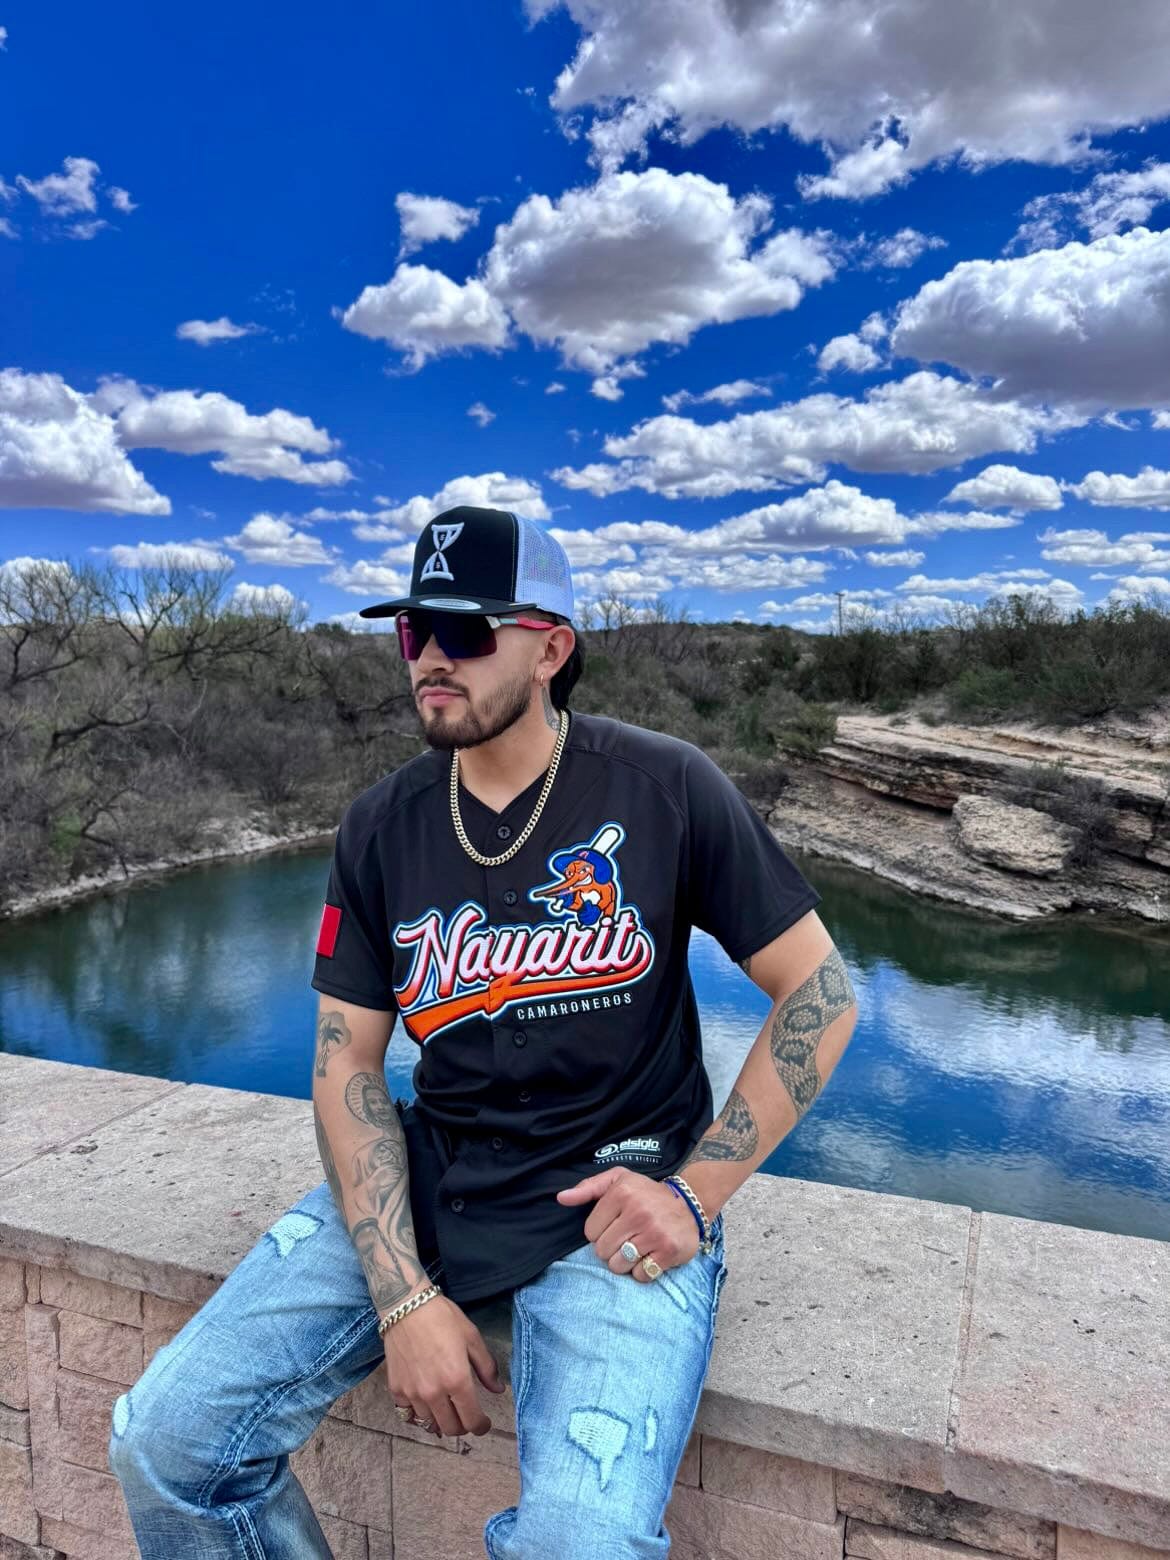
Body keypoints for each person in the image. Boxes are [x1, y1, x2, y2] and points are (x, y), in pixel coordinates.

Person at [108, 504, 859, 1558]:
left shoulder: (665, 787)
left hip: (619, 1198)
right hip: (436, 1176)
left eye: (464, 630)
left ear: (550, 649)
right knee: (166, 1443)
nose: (430, 656)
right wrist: (403, 1296)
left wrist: (694, 1194)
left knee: (578, 1546)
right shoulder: (382, 825)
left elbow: (820, 993)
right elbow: (346, 1061)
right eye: (413, 630)